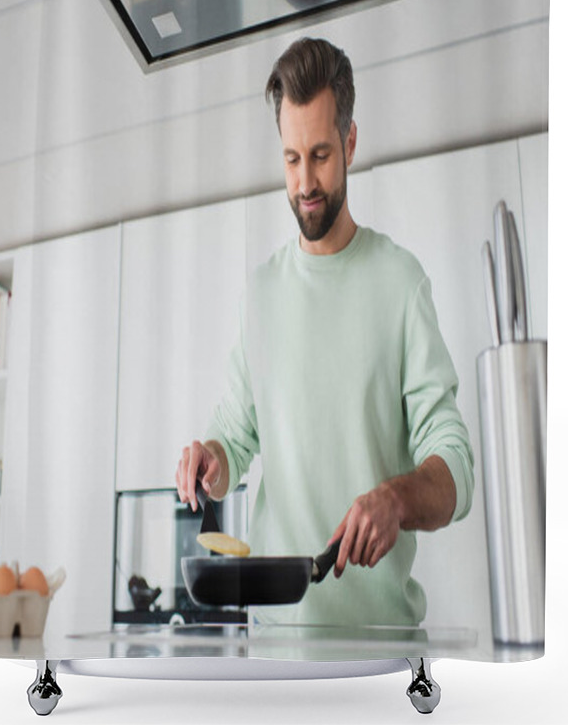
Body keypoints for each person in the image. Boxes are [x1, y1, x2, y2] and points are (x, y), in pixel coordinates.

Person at [176, 37, 474, 627]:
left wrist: (398, 498)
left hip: (380, 656)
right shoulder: (261, 294)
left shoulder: (400, 282)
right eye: (291, 159)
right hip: (271, 651)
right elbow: (234, 438)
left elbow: (455, 464)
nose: (306, 181)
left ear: (351, 143)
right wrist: (210, 458)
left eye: (320, 154)